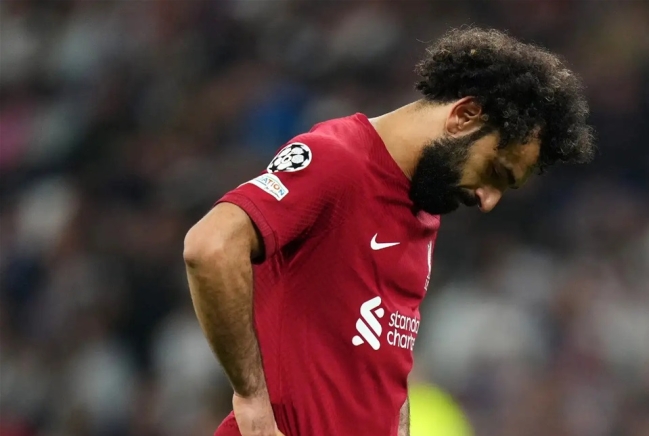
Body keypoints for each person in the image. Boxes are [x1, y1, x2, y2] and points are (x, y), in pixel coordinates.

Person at [183, 27, 595, 436]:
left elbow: (384, 367)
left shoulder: (424, 209)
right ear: (464, 116)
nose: (488, 201)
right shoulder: (339, 158)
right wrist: (252, 397)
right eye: (495, 172)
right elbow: (210, 247)